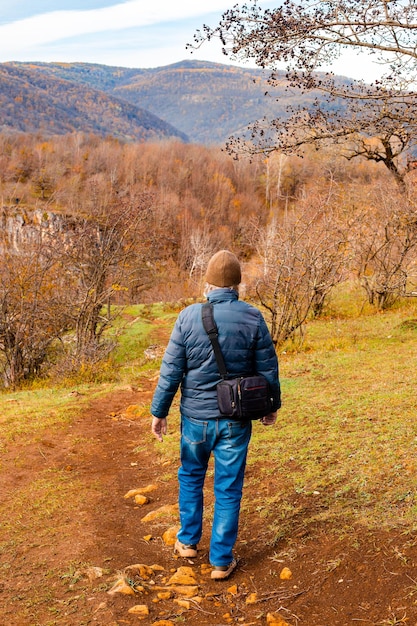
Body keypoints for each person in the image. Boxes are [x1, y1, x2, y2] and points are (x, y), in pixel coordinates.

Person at [150, 250, 281, 580]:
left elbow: (171, 371)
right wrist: (271, 406)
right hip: (235, 420)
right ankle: (221, 560)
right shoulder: (253, 318)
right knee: (228, 487)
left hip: (195, 419)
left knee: (191, 476)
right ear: (238, 284)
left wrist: (159, 412)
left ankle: (187, 542)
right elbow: (268, 368)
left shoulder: (187, 317)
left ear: (207, 283)